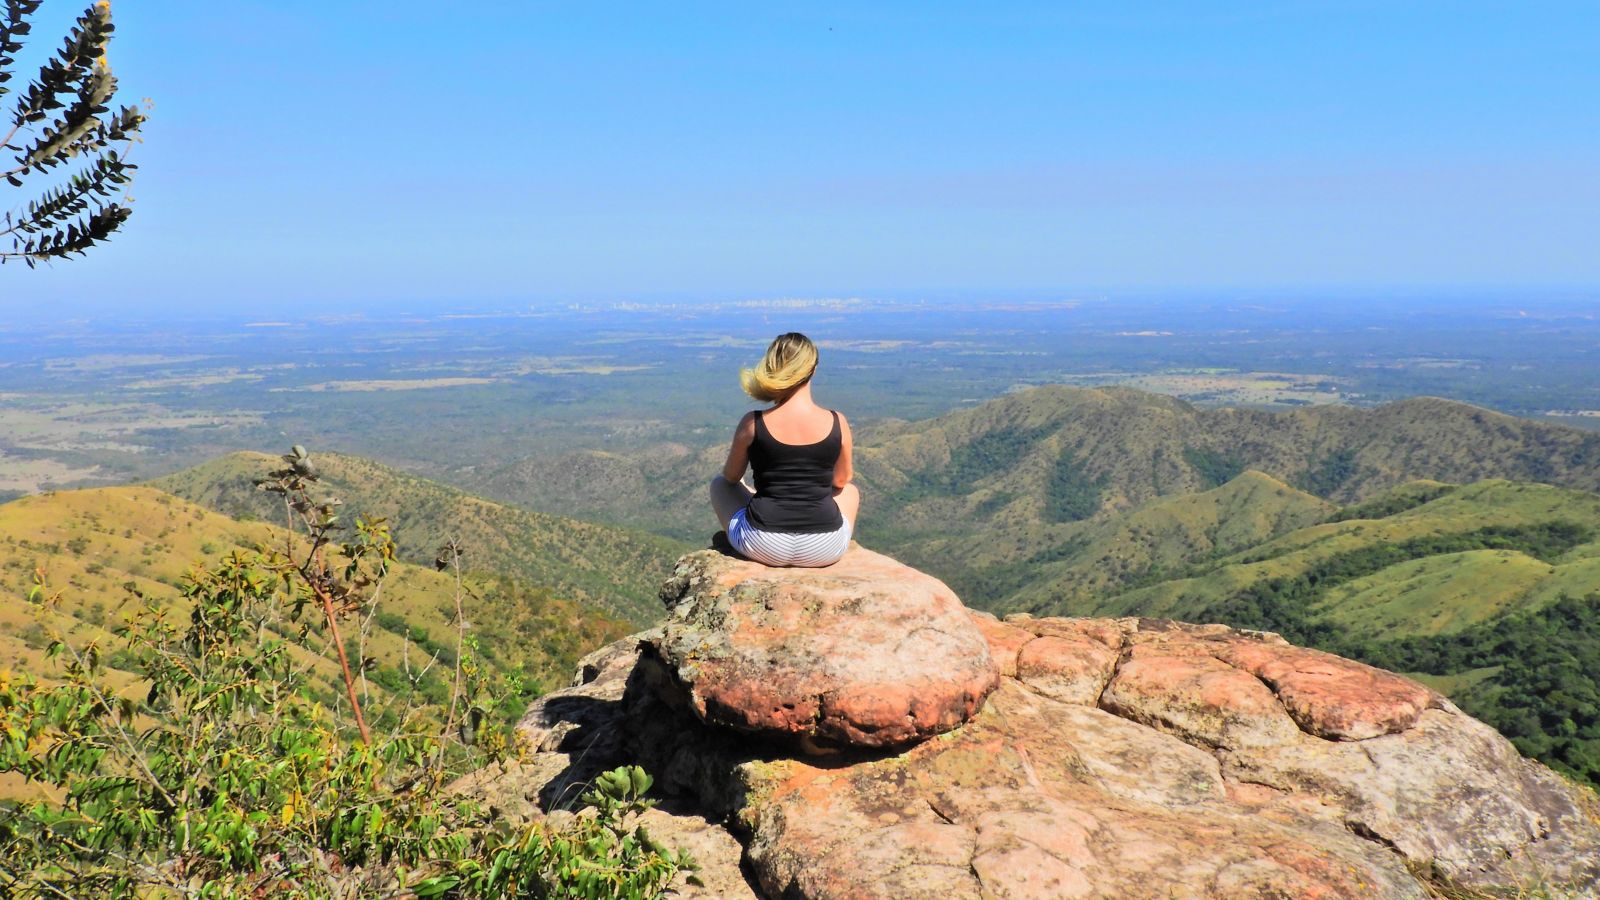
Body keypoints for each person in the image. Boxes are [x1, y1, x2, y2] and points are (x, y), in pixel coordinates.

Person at [710, 332, 860, 567]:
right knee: (850, 490)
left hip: (762, 543)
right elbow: (841, 481)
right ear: (813, 369)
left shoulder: (753, 423)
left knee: (719, 485)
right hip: (823, 548)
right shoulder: (837, 421)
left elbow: (730, 477)